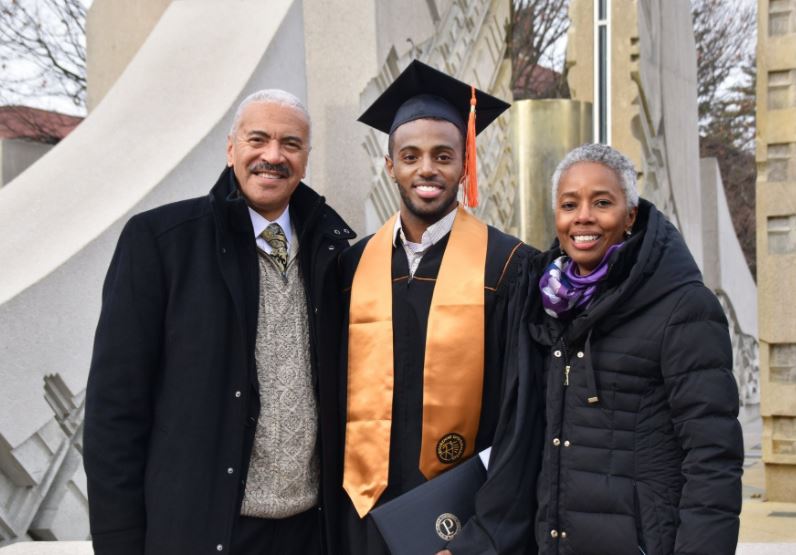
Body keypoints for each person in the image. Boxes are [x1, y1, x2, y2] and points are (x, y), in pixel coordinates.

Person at [83, 89, 354, 554]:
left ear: (306, 159)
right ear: (231, 149)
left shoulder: (333, 251)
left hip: (310, 532)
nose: (272, 155)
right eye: (258, 139)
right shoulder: (160, 243)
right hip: (205, 532)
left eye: (290, 144)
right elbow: (115, 409)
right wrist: (119, 542)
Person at [339, 60, 545, 555]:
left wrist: (484, 535)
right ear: (390, 165)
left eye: (443, 155)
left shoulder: (510, 266)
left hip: (462, 521)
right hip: (360, 518)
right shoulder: (350, 265)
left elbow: (522, 421)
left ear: (464, 164)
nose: (426, 169)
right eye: (409, 156)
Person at [519, 143, 744, 554]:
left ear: (630, 215)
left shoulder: (683, 306)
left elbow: (713, 455)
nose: (583, 217)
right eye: (569, 204)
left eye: (602, 202)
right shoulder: (545, 305)